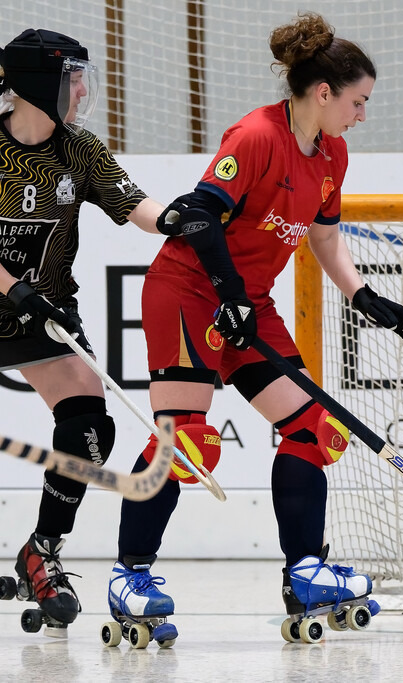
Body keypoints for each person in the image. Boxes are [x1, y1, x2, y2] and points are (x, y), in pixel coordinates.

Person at [108, 12, 403, 643]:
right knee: (189, 441)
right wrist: (228, 296)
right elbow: (198, 215)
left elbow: (327, 240)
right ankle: (129, 575)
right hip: (188, 292)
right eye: (358, 102)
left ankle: (305, 571)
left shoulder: (332, 154)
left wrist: (369, 298)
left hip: (245, 304)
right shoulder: (256, 136)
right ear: (323, 93)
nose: (362, 115)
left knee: (314, 427)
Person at [0, 28, 165, 632]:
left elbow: (133, 205)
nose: (80, 92)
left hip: (39, 315)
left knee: (90, 429)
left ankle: (41, 550)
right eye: (71, 80)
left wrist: (175, 217)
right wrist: (16, 288)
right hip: (21, 302)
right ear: (37, 84)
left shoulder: (79, 149)